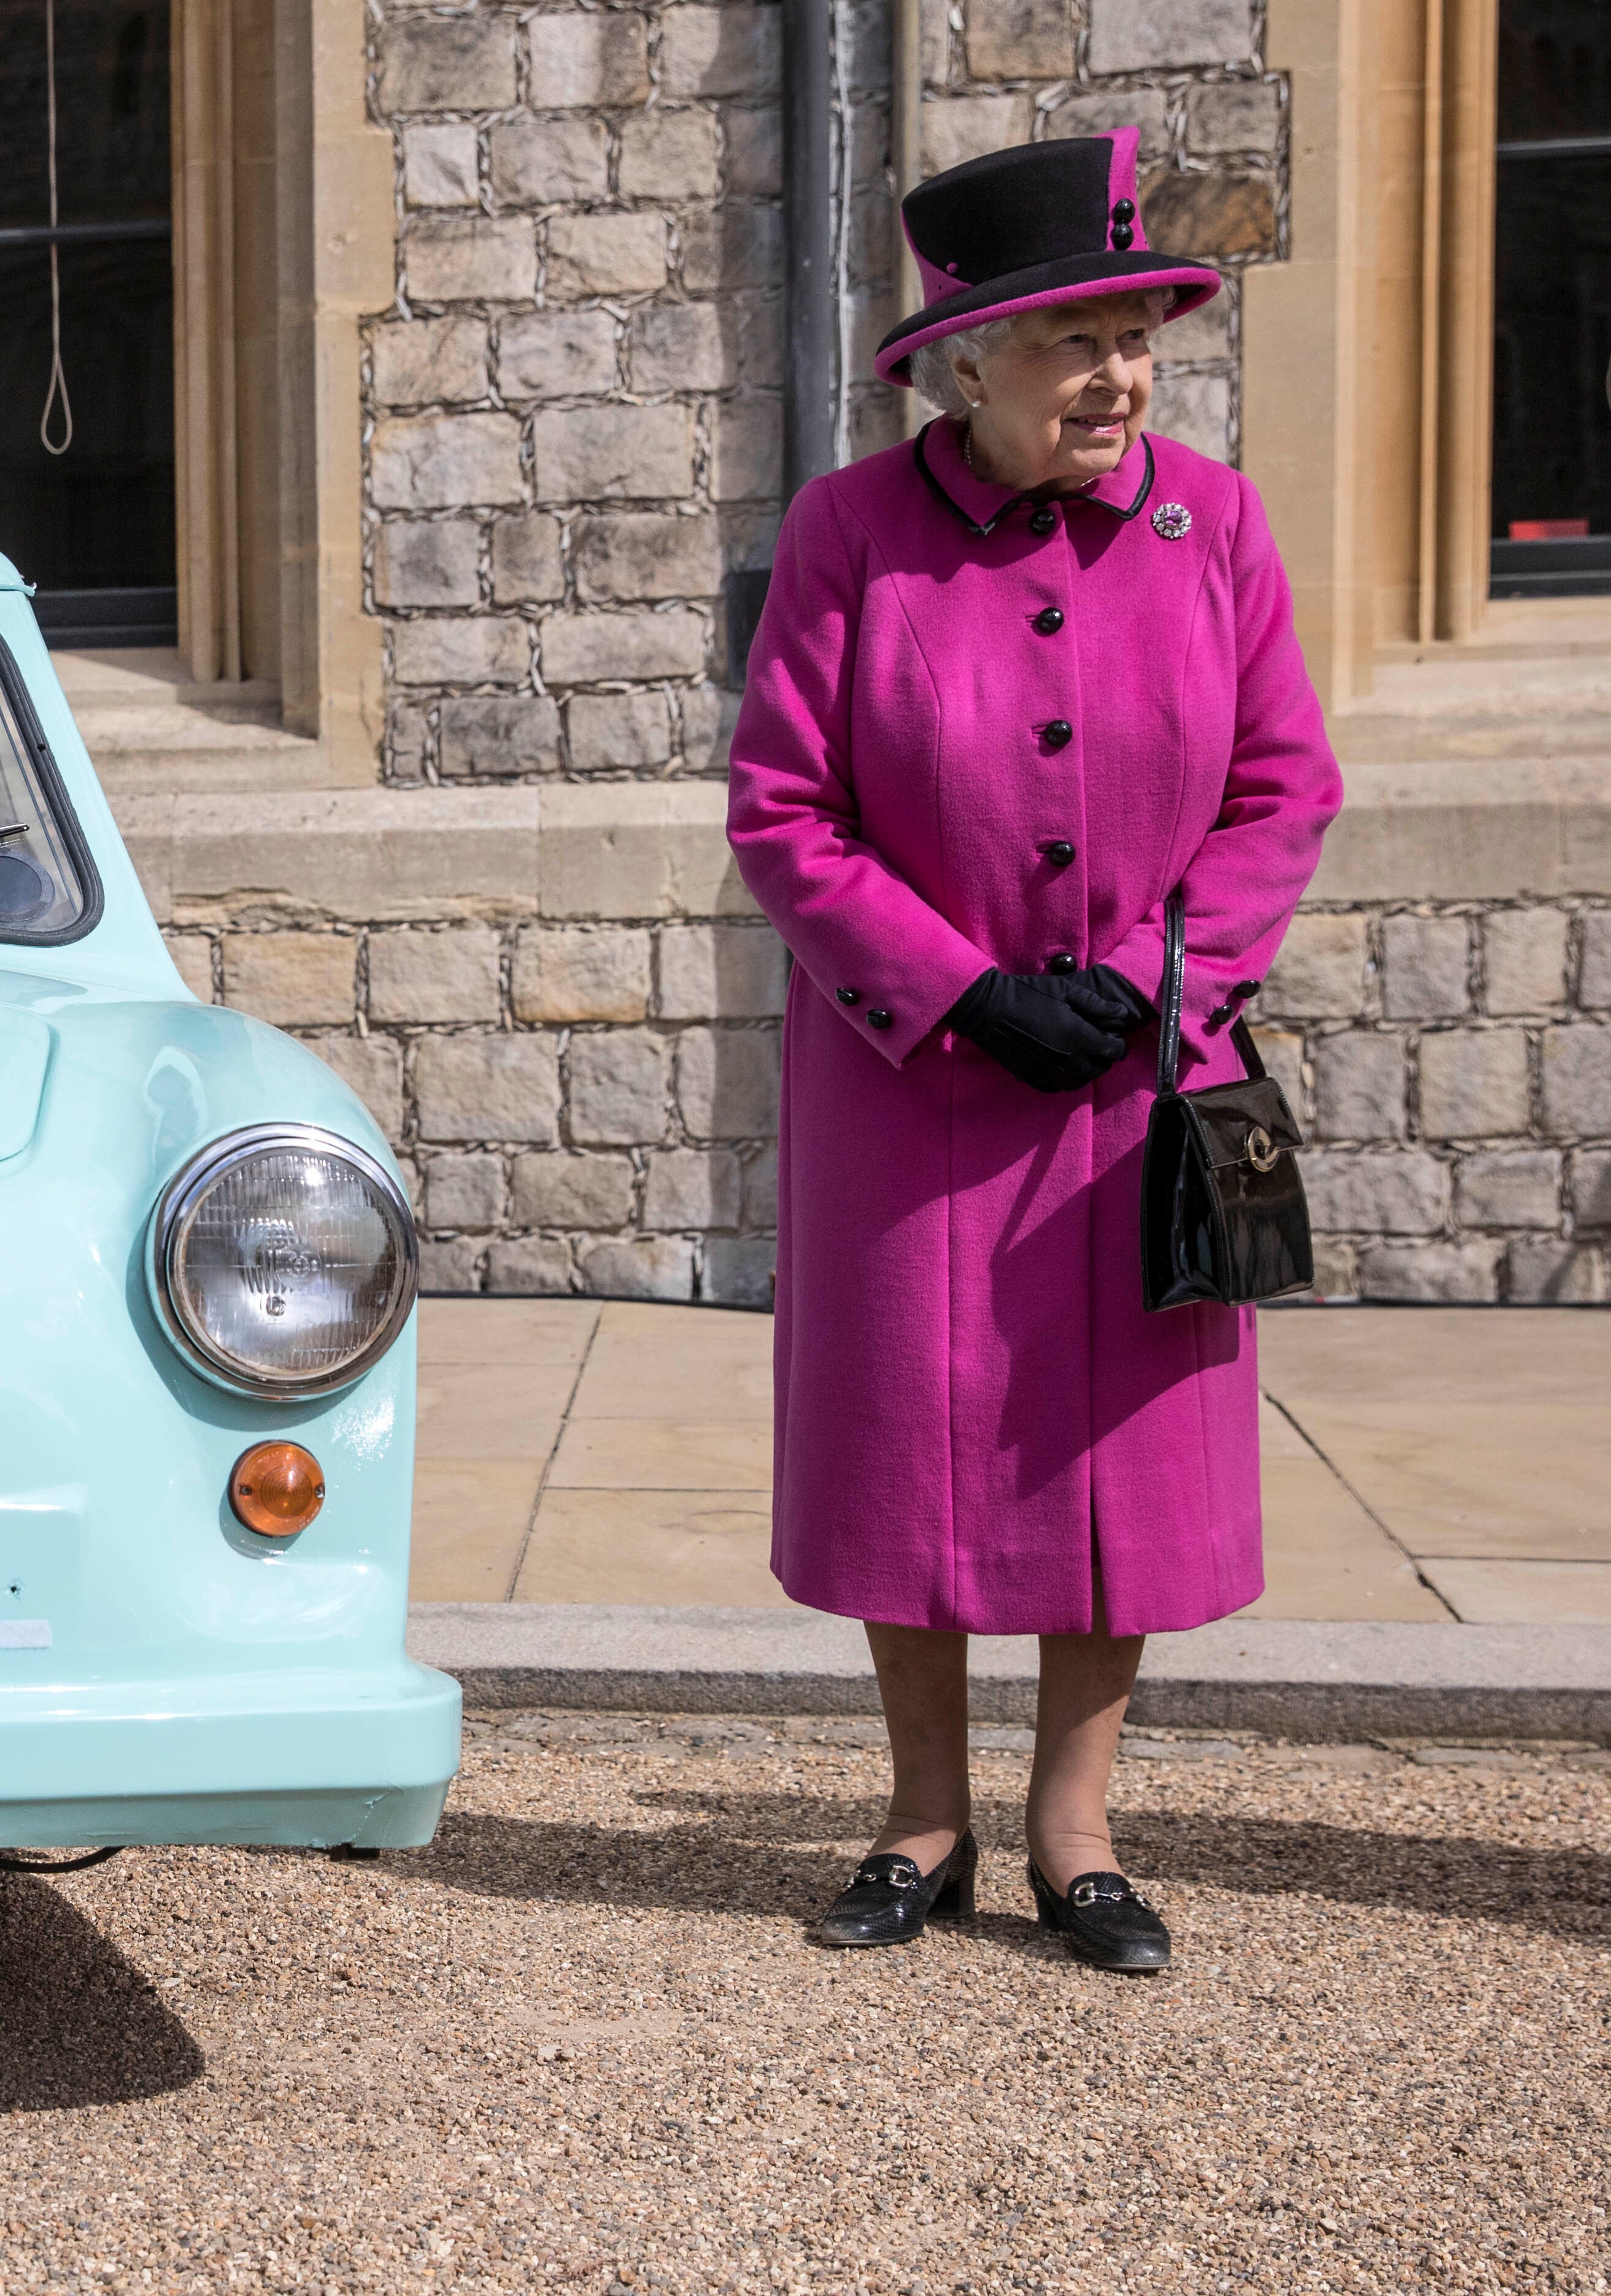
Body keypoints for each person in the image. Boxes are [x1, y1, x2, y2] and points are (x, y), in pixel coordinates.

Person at [724, 129, 1342, 1972]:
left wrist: (1171, 985)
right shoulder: (851, 535)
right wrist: (958, 988)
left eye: (1138, 330)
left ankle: (1077, 1832)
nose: (1117, 371)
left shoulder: (1213, 524)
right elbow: (782, 812)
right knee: (902, 1449)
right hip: (911, 1086)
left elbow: (1279, 785)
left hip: (1141, 1079)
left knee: (1114, 1462)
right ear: (961, 360)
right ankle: (922, 1819)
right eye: (1075, 337)